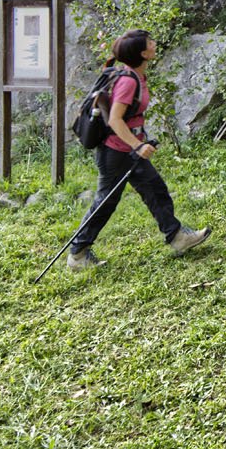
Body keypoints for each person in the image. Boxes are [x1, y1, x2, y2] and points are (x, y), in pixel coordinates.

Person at [68, 29, 209, 270]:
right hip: (116, 152)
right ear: (143, 53)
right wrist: (138, 145)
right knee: (106, 202)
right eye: (151, 42)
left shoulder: (134, 75)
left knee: (155, 189)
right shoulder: (127, 81)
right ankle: (78, 254)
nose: (155, 44)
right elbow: (114, 120)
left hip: (127, 149)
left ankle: (177, 236)